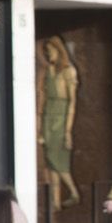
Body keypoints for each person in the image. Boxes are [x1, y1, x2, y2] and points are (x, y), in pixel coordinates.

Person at [37, 36, 80, 210]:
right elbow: (45, 97)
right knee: (50, 161)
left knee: (59, 160)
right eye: (46, 52)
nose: (48, 54)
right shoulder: (50, 70)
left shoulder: (68, 71)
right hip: (49, 116)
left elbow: (72, 102)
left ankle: (74, 192)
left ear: (58, 50)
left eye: (51, 50)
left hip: (62, 117)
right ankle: (55, 201)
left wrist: (67, 131)